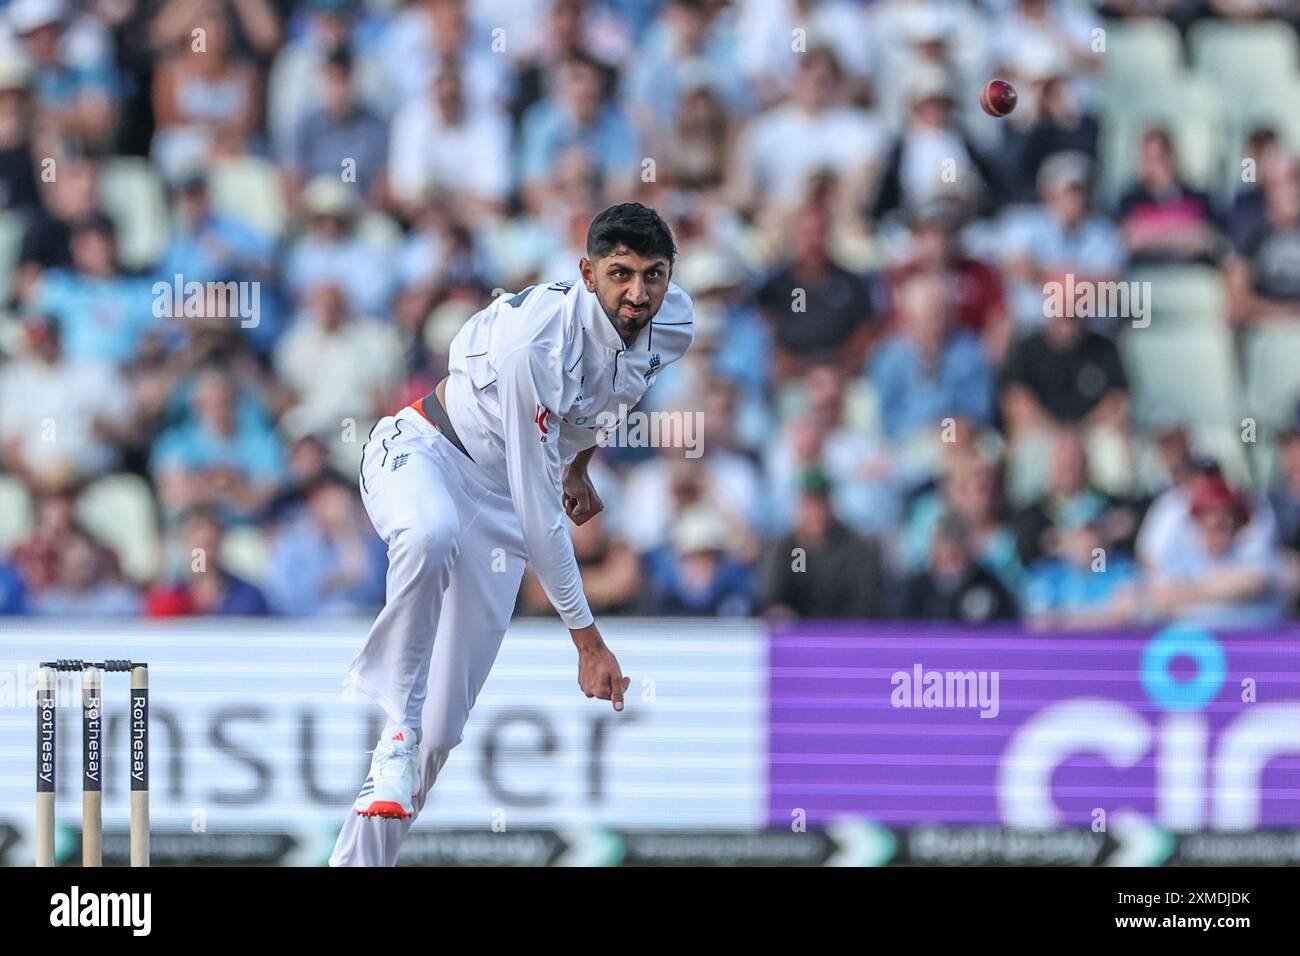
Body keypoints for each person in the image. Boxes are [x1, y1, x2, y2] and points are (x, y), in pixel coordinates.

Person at [330, 203, 694, 866]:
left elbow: (613, 392)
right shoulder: (538, 344)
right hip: (427, 451)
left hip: (498, 503)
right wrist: (587, 642)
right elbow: (539, 513)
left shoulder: (676, 323)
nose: (638, 293)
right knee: (431, 533)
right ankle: (396, 725)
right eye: (620, 274)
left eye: (654, 275)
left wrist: (579, 459)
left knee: (441, 733)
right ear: (587, 273)